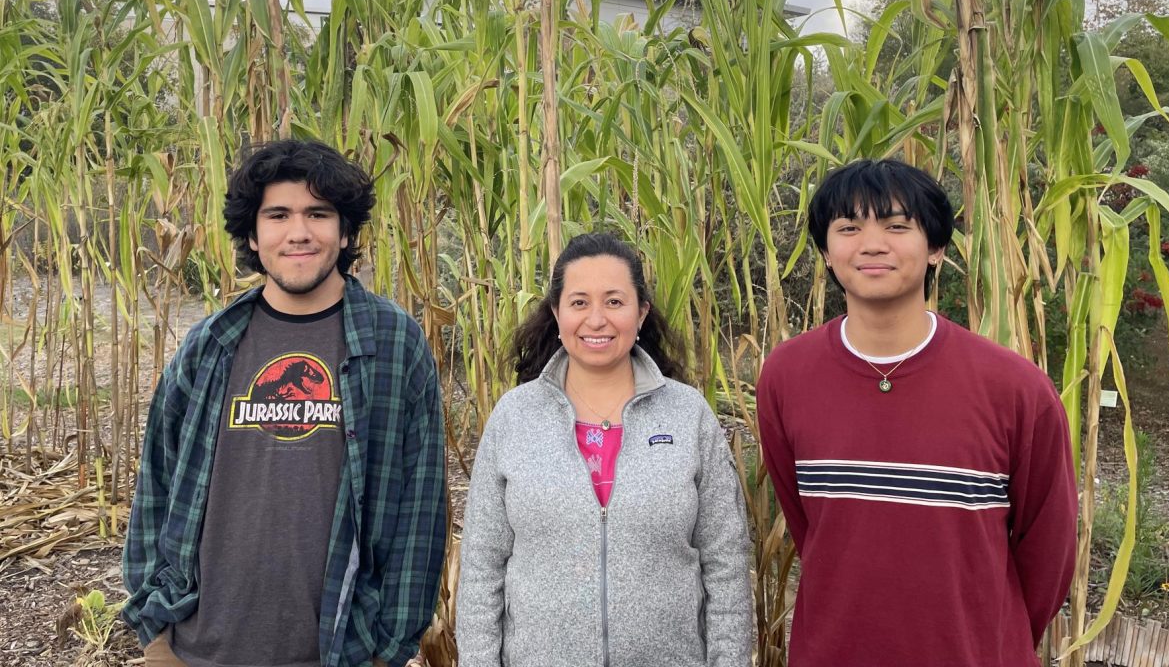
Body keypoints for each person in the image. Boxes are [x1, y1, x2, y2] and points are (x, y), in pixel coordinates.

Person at [122, 140, 447, 667]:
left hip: (339, 651)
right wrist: (155, 629)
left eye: (318, 214)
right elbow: (156, 482)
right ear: (253, 234)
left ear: (344, 232)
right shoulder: (210, 344)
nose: (298, 232)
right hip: (197, 649)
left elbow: (420, 508)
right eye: (278, 215)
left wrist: (388, 648)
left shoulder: (394, 343)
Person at [757, 158, 1077, 667]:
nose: (872, 243)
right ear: (826, 252)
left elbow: (1049, 551)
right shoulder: (786, 376)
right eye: (848, 228)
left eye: (897, 226)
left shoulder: (1014, 389)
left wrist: (992, 636)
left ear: (936, 249)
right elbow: (811, 527)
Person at [456, 232, 754, 667]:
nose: (597, 319)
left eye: (614, 302)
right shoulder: (514, 418)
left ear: (641, 312)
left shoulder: (688, 416)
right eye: (579, 303)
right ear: (557, 314)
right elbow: (483, 567)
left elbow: (726, 563)